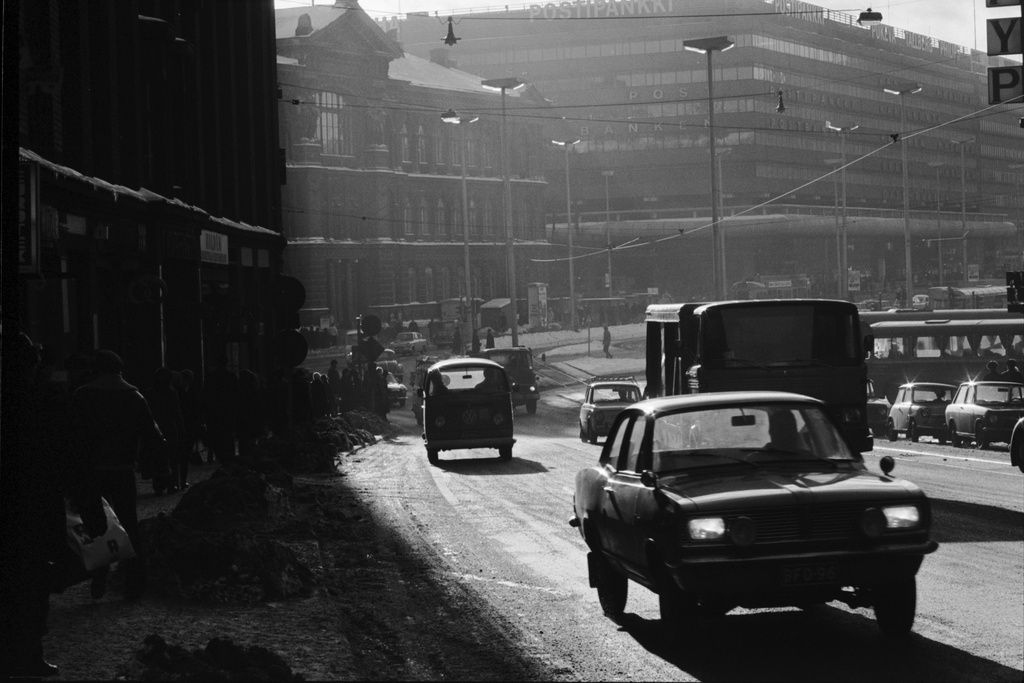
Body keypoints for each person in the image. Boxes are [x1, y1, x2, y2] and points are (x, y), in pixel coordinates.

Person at [1, 334, 104, 678]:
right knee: (31, 584)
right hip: (34, 509)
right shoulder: (46, 401)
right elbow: (74, 460)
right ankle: (26, 653)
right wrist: (92, 512)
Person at [70, 349, 165, 601]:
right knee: (128, 525)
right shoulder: (135, 396)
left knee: (96, 526)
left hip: (92, 473)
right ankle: (135, 582)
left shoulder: (83, 395)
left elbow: (72, 438)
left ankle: (99, 574)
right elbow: (153, 435)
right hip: (123, 471)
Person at [144, 367, 184, 495]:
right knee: (171, 457)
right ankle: (172, 483)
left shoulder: (151, 393)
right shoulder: (171, 392)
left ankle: (160, 484)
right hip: (168, 426)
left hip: (156, 427)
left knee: (159, 457)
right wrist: (181, 428)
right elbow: (177, 412)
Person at [203, 355, 239, 464]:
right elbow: (236, 395)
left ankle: (218, 455)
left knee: (215, 435)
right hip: (228, 411)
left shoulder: (210, 377)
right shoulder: (231, 376)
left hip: (214, 412)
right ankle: (229, 457)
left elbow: (206, 396)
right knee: (228, 435)